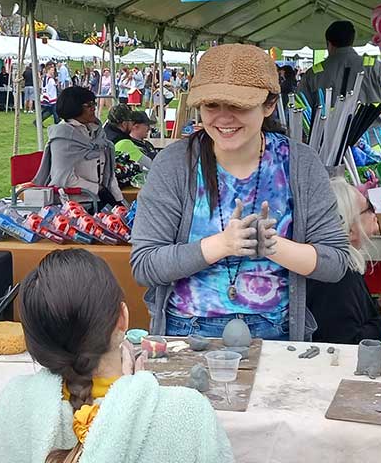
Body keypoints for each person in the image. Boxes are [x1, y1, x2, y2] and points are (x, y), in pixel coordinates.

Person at [130, 43, 350, 342]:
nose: (223, 118)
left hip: (277, 333)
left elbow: (335, 261)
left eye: (239, 105)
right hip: (188, 333)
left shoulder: (299, 163)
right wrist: (222, 244)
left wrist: (274, 246)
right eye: (211, 105)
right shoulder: (175, 164)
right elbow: (145, 265)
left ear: (269, 104)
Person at [0, 249, 232, 463]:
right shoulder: (187, 413)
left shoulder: (16, 401)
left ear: (34, 342)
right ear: (122, 318)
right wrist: (132, 393)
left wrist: (131, 393)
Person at [306, 179, 381, 345]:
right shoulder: (338, 278)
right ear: (350, 229)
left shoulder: (338, 267)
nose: (375, 212)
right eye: (369, 207)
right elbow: (345, 342)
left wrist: (377, 306)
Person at [299, 20, 381, 123]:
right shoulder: (373, 66)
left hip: (328, 141)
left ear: (329, 44)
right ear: (352, 40)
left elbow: (298, 111)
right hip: (371, 140)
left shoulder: (313, 74)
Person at [33, 86, 125, 209]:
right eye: (89, 105)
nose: (94, 108)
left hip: (99, 201)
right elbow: (64, 179)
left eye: (94, 104)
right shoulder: (63, 137)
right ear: (74, 107)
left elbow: (108, 173)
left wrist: (118, 200)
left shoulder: (97, 132)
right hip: (75, 204)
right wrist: (98, 190)